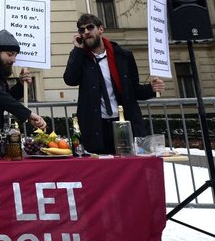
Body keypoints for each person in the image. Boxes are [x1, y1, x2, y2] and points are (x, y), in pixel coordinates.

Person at [63, 13, 165, 154]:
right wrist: (77, 51)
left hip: (122, 122)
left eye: (90, 27)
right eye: (82, 30)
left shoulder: (123, 56)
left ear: (100, 29)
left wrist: (152, 89)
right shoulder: (81, 57)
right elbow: (70, 80)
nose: (86, 32)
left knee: (127, 167)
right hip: (96, 125)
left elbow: (133, 90)